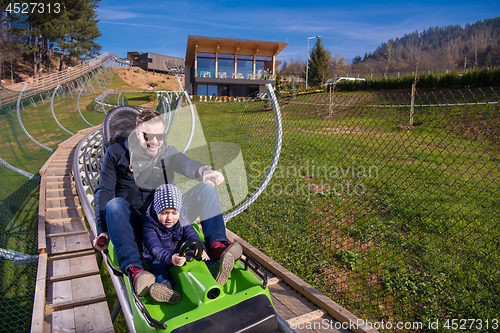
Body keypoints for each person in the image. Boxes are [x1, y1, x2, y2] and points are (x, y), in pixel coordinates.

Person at [92, 108, 242, 297]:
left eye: (159, 136)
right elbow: (103, 192)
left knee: (206, 188)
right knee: (114, 206)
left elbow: (186, 163)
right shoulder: (116, 154)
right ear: (137, 134)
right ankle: (136, 270)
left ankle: (217, 247)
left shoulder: (167, 152)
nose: (154, 141)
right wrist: (102, 230)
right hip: (136, 220)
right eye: (148, 136)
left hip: (167, 217)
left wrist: (204, 171)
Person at [143, 184, 237, 303]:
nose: (169, 218)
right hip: (162, 258)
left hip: (183, 252)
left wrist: (200, 248)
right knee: (157, 269)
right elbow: (155, 248)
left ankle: (215, 269)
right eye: (164, 213)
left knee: (201, 256)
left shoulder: (182, 218)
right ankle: (166, 288)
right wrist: (170, 258)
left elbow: (190, 233)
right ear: (156, 211)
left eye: (174, 213)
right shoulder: (149, 227)